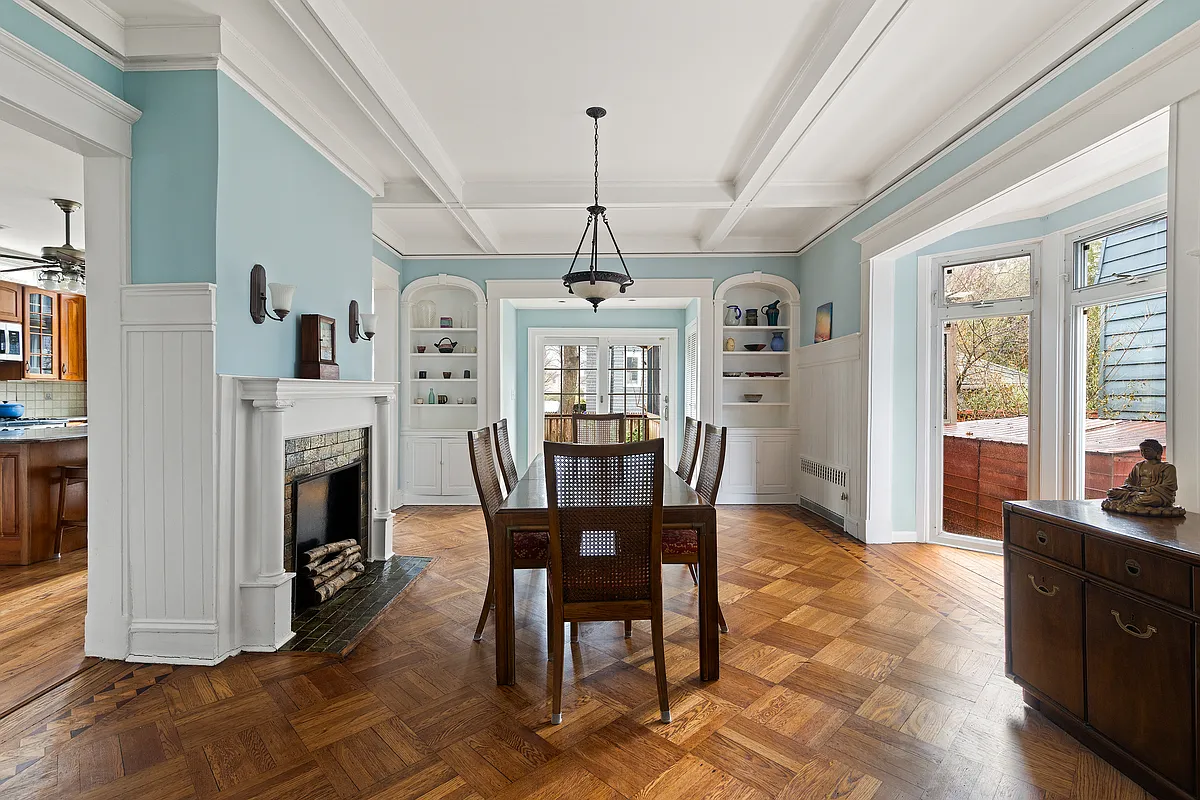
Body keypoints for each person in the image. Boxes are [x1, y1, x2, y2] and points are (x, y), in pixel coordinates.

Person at [1103, 439, 1186, 517]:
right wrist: (1131, 488)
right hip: (1135, 492)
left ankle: (1129, 501)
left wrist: (1145, 490)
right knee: (1111, 492)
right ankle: (1132, 499)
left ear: (1158, 452)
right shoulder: (1139, 466)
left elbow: (1169, 486)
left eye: (1147, 450)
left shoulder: (1168, 468)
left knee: (1146, 498)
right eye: (1141, 450)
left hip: (1154, 494)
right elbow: (1129, 481)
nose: (1143, 453)